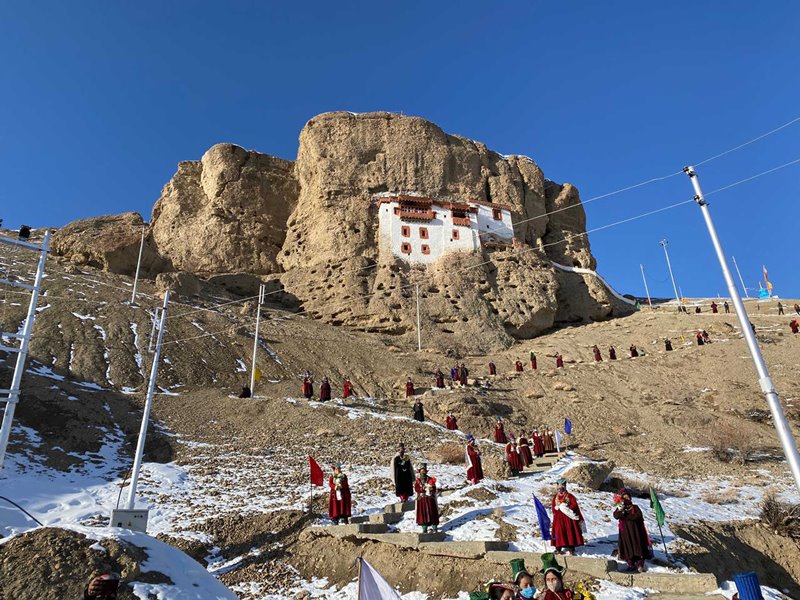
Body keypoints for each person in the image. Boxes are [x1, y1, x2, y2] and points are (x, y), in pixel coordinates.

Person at [613, 488, 651, 573]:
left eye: (628, 497)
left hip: (635, 531)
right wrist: (621, 511)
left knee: (637, 545)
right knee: (628, 546)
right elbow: (616, 516)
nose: (627, 499)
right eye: (625, 498)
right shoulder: (620, 507)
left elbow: (638, 516)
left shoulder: (635, 507)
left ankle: (640, 564)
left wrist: (627, 516)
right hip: (625, 532)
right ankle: (630, 564)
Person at [551, 478, 585, 555]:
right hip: (558, 519)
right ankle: (558, 548)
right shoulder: (555, 497)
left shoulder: (570, 496)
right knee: (558, 532)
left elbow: (574, 505)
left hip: (568, 518)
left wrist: (567, 508)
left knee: (569, 531)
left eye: (562, 485)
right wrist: (556, 509)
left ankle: (571, 547)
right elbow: (553, 508)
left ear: (565, 486)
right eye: (559, 486)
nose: (560, 487)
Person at [414, 463, 439, 533]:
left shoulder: (430, 479)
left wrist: (431, 489)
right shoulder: (418, 480)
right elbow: (416, 488)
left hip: (430, 499)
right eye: (422, 471)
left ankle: (434, 526)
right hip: (422, 499)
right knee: (423, 514)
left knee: (432, 512)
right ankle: (424, 527)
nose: (423, 472)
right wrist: (421, 489)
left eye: (424, 470)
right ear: (419, 471)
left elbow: (434, 488)